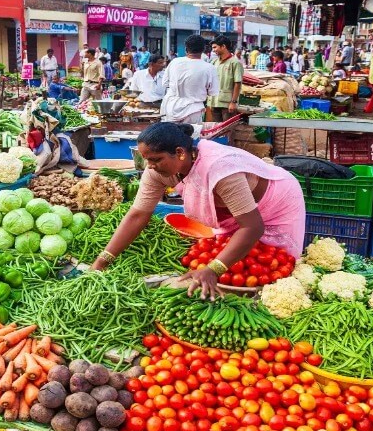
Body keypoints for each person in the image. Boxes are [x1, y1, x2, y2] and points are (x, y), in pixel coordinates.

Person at [90, 122, 305, 299]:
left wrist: (213, 269)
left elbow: (252, 227)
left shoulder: (219, 167)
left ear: (180, 153)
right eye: (147, 160)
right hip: (232, 212)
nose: (150, 166)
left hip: (276, 202)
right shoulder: (157, 171)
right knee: (235, 262)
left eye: (156, 159)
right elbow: (138, 215)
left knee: (277, 266)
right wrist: (102, 262)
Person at [160, 35, 219, 124]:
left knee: (171, 136)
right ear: (203, 49)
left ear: (186, 49)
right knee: (190, 136)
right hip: (193, 111)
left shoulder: (174, 62)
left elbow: (164, 83)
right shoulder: (210, 68)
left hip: (171, 108)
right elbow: (213, 92)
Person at [208, 36, 243, 122]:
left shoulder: (235, 63)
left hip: (227, 103)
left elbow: (237, 83)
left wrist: (233, 102)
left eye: (215, 47)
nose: (213, 50)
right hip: (214, 101)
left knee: (227, 129)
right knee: (217, 129)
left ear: (223, 46)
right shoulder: (214, 62)